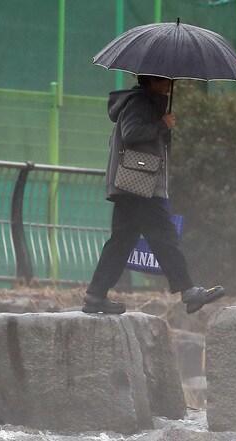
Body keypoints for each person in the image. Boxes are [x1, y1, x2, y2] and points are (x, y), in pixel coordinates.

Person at [83, 74, 225, 315]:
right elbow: (131, 134)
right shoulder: (139, 102)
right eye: (165, 81)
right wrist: (162, 125)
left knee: (122, 241)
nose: (169, 85)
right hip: (141, 186)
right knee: (164, 236)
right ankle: (188, 291)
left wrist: (162, 127)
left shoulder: (148, 103)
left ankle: (95, 295)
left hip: (136, 185)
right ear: (151, 82)